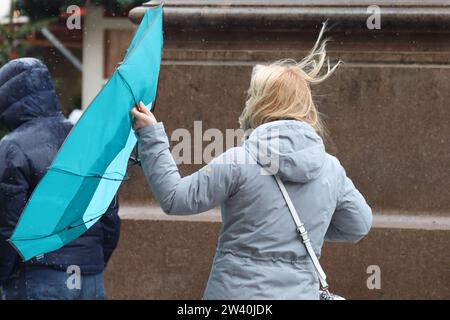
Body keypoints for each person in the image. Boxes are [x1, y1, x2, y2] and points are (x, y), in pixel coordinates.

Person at [131, 29, 372, 300]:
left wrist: (150, 135)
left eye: (252, 95)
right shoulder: (332, 169)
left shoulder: (239, 161)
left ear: (262, 103)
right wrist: (300, 231)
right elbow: (358, 225)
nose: (248, 100)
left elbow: (175, 199)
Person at [0, 58, 121, 300]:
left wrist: (5, 275)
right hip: (90, 277)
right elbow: (109, 217)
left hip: (38, 276)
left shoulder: (12, 148)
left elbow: (8, 227)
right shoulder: (87, 141)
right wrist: (92, 261)